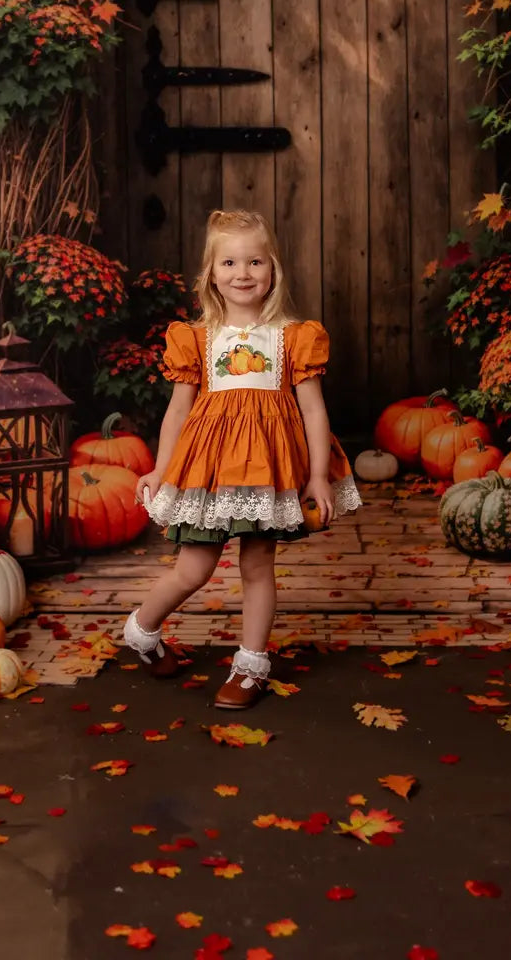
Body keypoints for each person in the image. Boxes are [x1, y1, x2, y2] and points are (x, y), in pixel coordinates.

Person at [122, 209, 362, 709]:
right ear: (211, 274)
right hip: (209, 471)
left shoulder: (294, 337)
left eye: (255, 261)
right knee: (194, 568)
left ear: (272, 268)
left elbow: (313, 410)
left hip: (268, 471)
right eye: (229, 262)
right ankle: (141, 631)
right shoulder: (197, 339)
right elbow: (176, 413)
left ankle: (250, 666)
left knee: (258, 564)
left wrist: (317, 475)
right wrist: (159, 469)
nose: (243, 273)